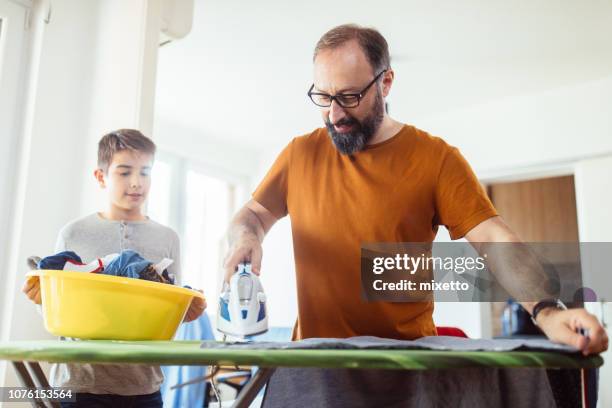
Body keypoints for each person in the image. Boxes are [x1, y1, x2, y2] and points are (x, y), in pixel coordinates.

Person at [223, 24, 607, 355]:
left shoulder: (435, 159)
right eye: (323, 98)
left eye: (350, 97)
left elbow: (492, 239)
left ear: (386, 82)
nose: (335, 114)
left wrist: (548, 312)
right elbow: (254, 214)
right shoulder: (299, 154)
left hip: (404, 370)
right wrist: (246, 236)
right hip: (314, 366)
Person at [22, 129, 206, 407]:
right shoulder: (73, 233)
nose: (136, 183)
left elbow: (166, 310)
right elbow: (57, 307)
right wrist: (40, 300)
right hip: (77, 384)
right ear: (101, 176)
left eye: (145, 172)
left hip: (143, 388)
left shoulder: (168, 238)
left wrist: (186, 312)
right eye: (124, 172)